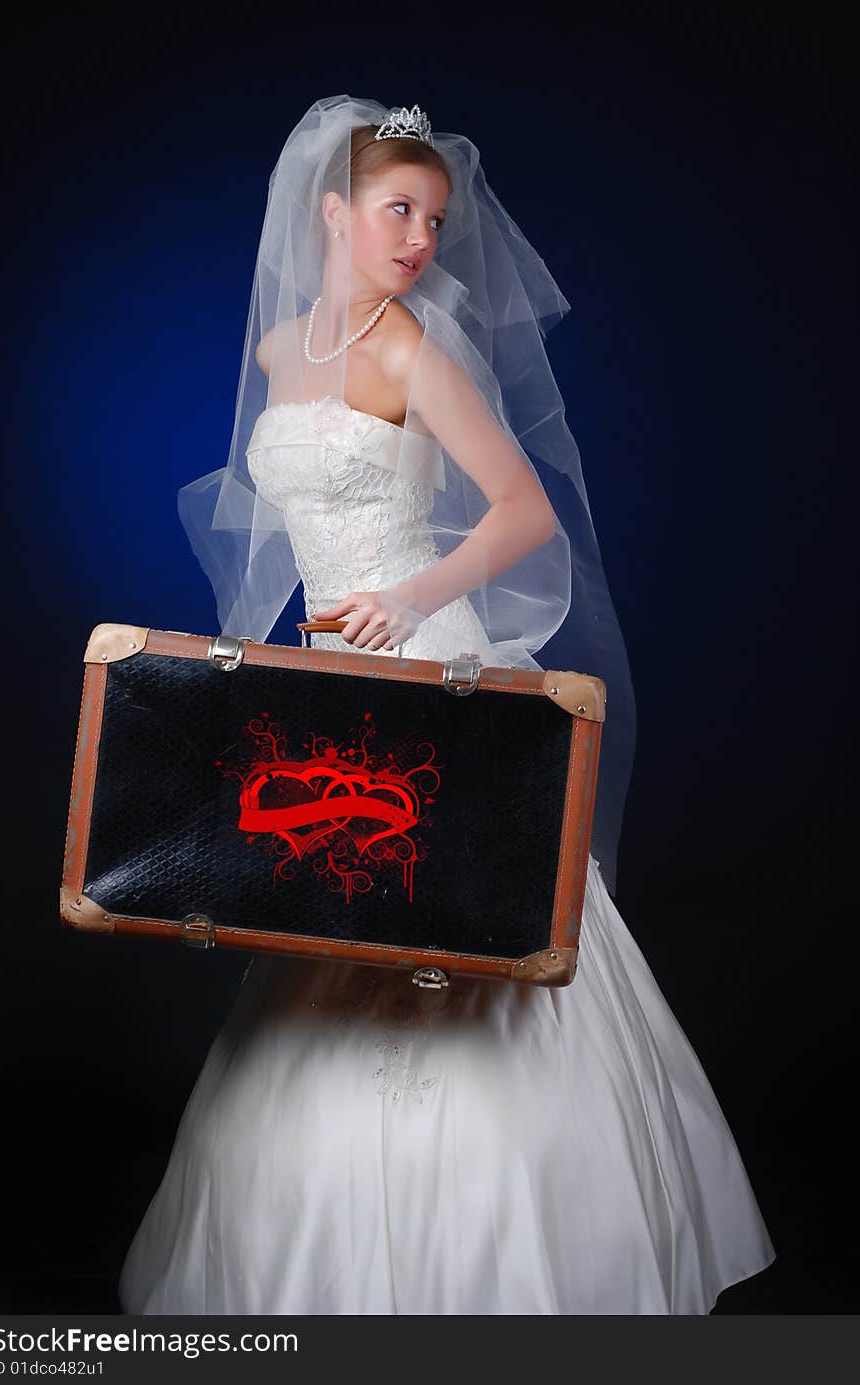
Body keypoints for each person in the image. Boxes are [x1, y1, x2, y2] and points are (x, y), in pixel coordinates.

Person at [117, 95, 775, 1314]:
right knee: (334, 924)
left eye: (433, 217)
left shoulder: (414, 347)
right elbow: (280, 530)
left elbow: (522, 511)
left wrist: (407, 599)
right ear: (332, 211)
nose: (420, 237)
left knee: (461, 922)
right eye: (398, 209)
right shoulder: (278, 354)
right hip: (333, 678)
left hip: (433, 664)